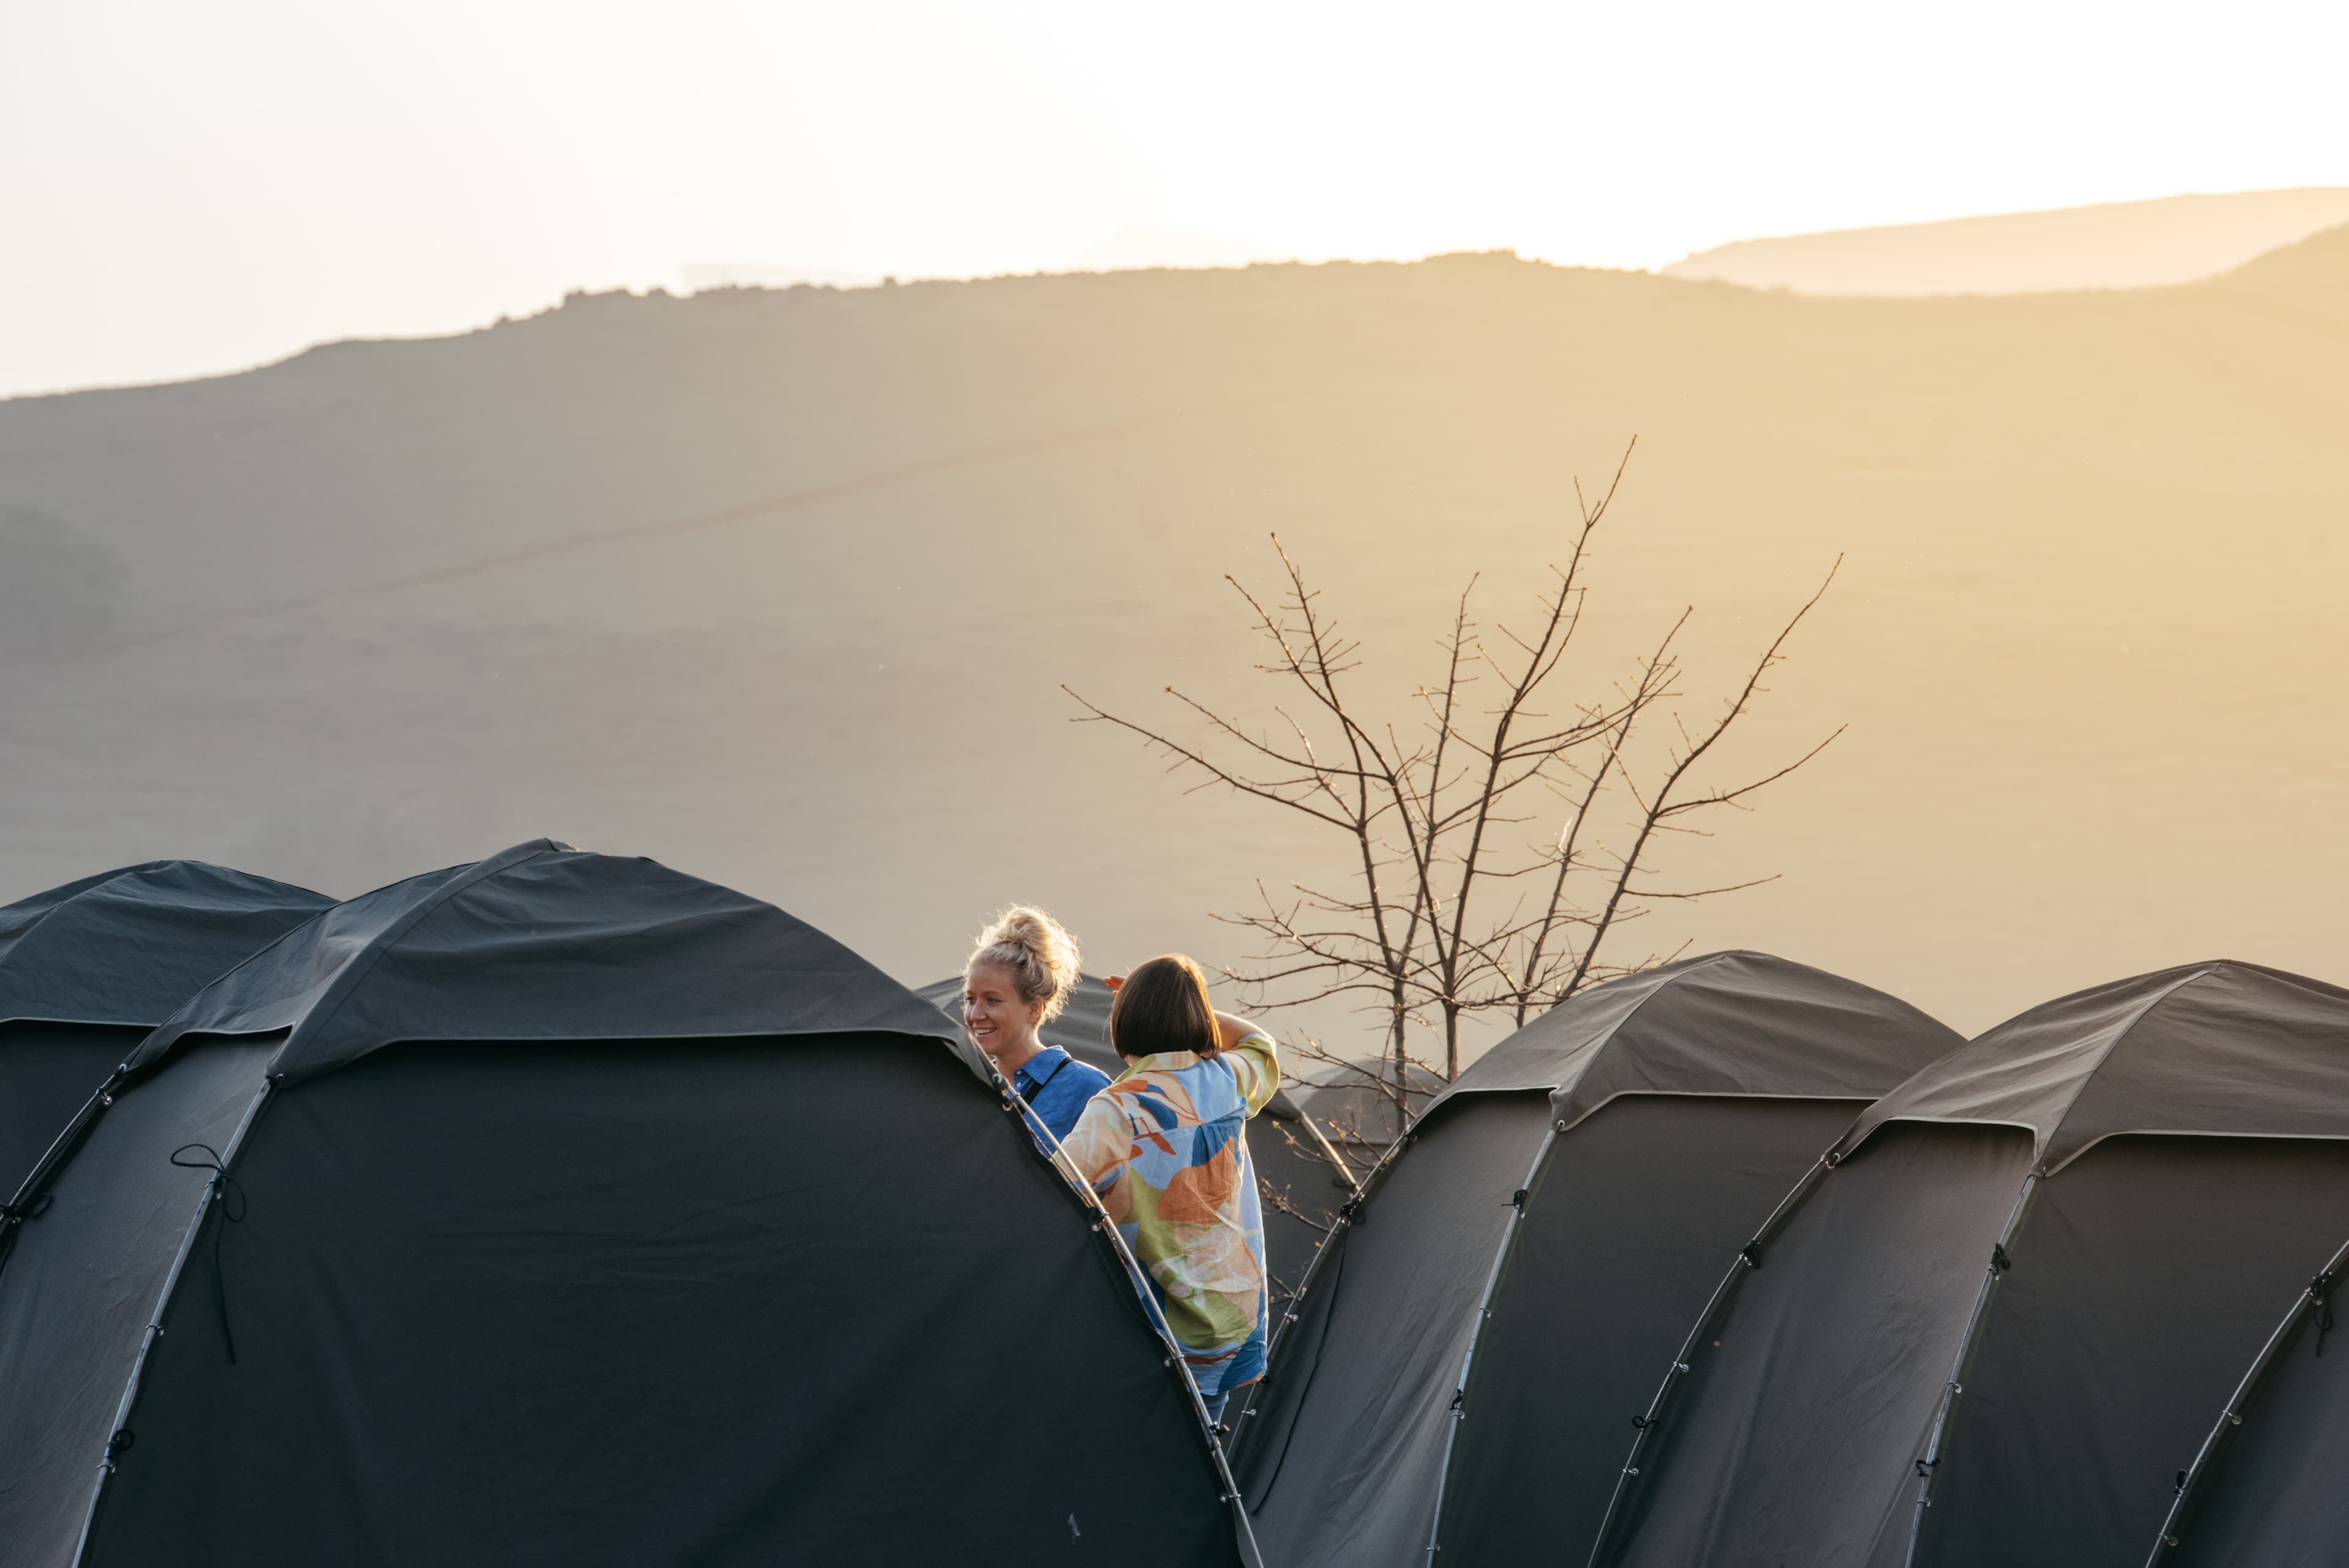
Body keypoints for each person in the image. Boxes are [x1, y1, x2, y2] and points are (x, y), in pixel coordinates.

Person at [1061, 954, 1281, 1430]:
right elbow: (1259, 1041)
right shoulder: (1228, 1082)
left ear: (1124, 1024)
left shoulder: (1115, 1110)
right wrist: (1198, 1012)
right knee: (1205, 1466)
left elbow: (1050, 1188)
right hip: (1227, 1325)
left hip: (1154, 1333)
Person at [960, 906, 1110, 1145]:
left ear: (1034, 1008)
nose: (975, 1014)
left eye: (992, 1000)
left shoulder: (1087, 1088)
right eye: (970, 999)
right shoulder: (966, 1085)